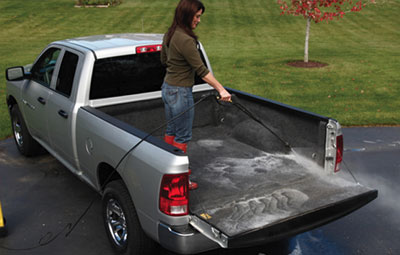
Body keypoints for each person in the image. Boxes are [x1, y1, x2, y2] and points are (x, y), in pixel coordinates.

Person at [161, 0, 231, 190]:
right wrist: (221, 89)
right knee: (182, 137)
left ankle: (165, 171)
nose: (199, 20)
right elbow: (201, 70)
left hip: (167, 88)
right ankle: (180, 181)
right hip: (180, 92)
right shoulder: (185, 39)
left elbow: (164, 60)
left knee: (171, 132)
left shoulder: (170, 33)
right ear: (186, 15)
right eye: (197, 16)